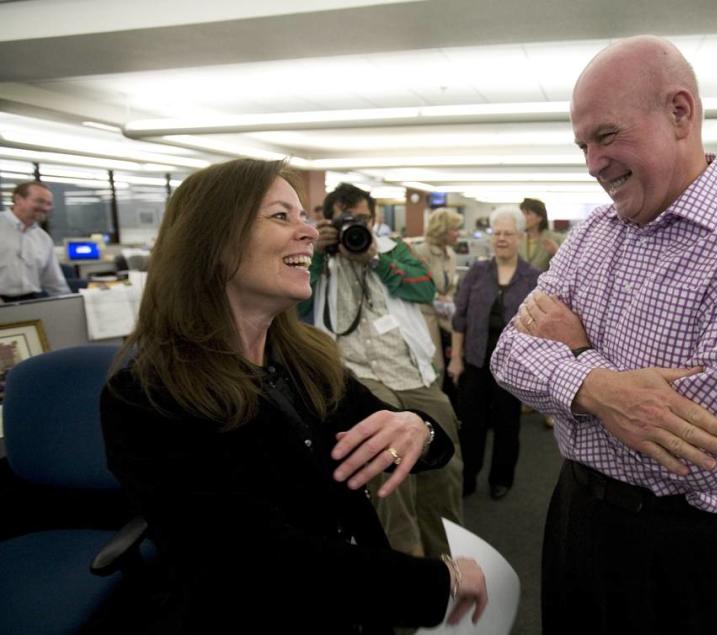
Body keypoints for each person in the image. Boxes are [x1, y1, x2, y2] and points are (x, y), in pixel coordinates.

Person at [490, 36, 717, 634]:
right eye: (582, 145)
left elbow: (703, 450)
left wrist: (575, 352)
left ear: (680, 113)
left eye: (606, 136)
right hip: (576, 516)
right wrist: (603, 389)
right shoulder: (593, 232)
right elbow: (509, 354)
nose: (592, 163)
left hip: (691, 548)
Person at [100, 159, 486, 633]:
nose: (307, 232)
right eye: (282, 216)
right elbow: (259, 562)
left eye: (305, 216)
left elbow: (430, 447)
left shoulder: (306, 360)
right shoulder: (147, 395)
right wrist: (437, 581)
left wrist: (416, 428)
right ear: (213, 242)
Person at [298, 182, 463, 558]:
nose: (354, 227)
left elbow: (425, 290)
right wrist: (319, 254)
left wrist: (374, 257)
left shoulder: (393, 249)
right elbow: (296, 307)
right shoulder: (312, 257)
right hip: (356, 372)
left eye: (361, 219)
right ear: (329, 220)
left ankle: (448, 558)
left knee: (446, 464)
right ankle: (408, 567)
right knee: (390, 467)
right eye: (345, 220)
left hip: (408, 370)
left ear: (373, 220)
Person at [448, 207, 539, 500]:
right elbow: (459, 317)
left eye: (508, 234)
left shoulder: (533, 278)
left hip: (511, 367)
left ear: (520, 237)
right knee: (470, 425)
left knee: (507, 426)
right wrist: (456, 357)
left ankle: (501, 477)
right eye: (497, 233)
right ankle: (468, 475)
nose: (501, 239)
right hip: (475, 362)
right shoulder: (476, 272)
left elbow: (540, 328)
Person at [410, 207, 463, 374]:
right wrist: (436, 296)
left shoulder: (451, 254)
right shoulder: (420, 252)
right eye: (455, 229)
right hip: (425, 318)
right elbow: (415, 287)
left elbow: (450, 286)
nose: (458, 234)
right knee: (434, 368)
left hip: (445, 317)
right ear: (442, 231)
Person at [0, 181, 71, 302]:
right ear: (18, 199)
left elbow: (54, 282)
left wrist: (69, 304)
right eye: (39, 201)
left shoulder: (43, 238)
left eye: (48, 204)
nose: (44, 207)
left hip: (31, 302)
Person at [518, 197, 563, 272]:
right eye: (522, 213)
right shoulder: (519, 239)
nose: (522, 217)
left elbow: (567, 265)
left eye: (527, 213)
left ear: (539, 218)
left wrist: (556, 252)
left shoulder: (555, 238)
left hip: (546, 282)